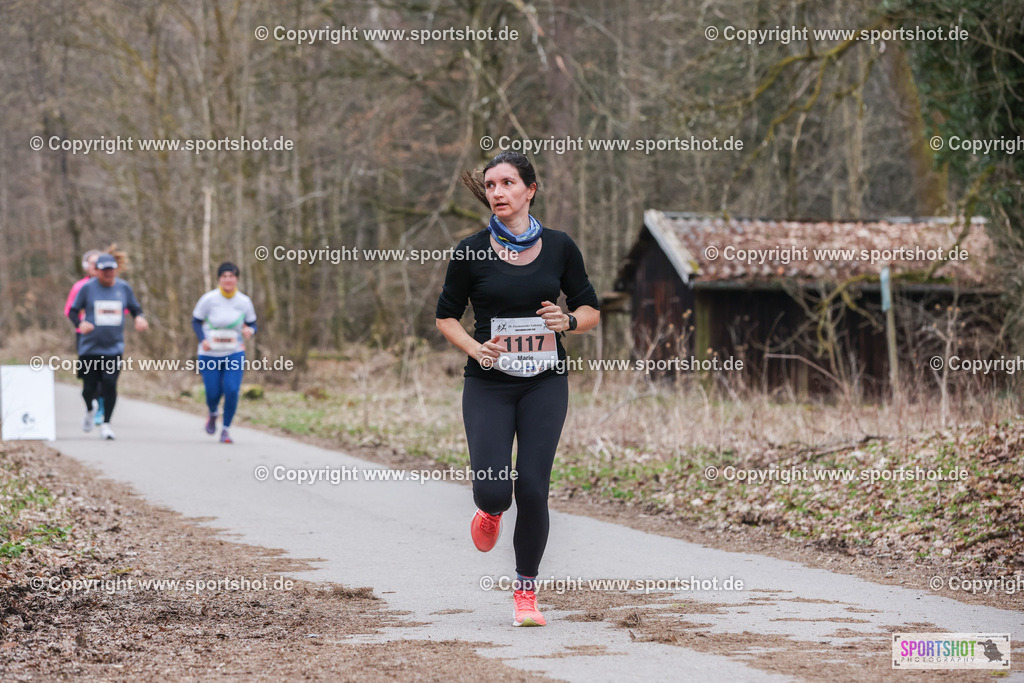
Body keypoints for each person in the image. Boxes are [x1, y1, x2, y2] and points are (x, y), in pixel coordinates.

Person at [435, 151, 600, 627]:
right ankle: (488, 513)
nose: (498, 192)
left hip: (544, 382)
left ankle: (525, 593)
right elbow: (446, 315)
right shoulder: (471, 250)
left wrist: (567, 320)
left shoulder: (560, 246)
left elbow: (589, 309)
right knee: (493, 491)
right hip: (489, 385)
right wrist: (474, 347)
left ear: (530, 190)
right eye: (490, 185)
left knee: (532, 487)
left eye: (508, 182)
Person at [68, 253, 149, 440]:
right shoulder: (88, 289)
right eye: (104, 270)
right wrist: (79, 324)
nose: (108, 273)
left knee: (110, 385)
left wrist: (139, 317)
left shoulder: (123, 288)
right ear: (97, 271)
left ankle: (106, 424)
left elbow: (136, 308)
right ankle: (90, 409)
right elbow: (73, 311)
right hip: (90, 348)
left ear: (115, 270)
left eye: (111, 270)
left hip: (113, 349)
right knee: (88, 389)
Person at [191, 262, 257, 444]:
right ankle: (213, 413)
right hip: (209, 353)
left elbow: (253, 324)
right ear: (219, 279)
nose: (228, 280)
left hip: (234, 352)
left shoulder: (244, 302)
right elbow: (196, 321)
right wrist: (202, 339)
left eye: (232, 276)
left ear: (237, 279)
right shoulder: (208, 299)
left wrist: (250, 331)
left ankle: (226, 429)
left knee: (232, 389)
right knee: (212, 392)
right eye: (224, 276)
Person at [66, 249, 104, 425]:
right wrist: (81, 322)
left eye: (99, 262)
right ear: (86, 266)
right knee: (89, 376)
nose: (96, 266)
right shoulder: (79, 287)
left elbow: (123, 309)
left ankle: (102, 408)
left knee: (107, 375)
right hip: (85, 338)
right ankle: (93, 404)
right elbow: (70, 311)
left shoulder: (114, 286)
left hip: (108, 338)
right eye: (92, 263)